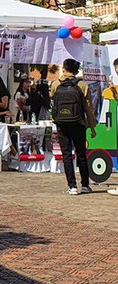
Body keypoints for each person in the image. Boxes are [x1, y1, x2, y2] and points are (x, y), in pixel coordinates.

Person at [50, 58, 96, 195]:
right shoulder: (82, 85)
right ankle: (85, 185)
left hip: (62, 124)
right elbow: (89, 108)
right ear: (76, 70)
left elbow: (54, 104)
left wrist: (55, 120)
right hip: (78, 123)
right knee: (81, 154)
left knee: (66, 155)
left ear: (63, 68)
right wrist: (92, 126)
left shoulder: (55, 84)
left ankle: (72, 186)